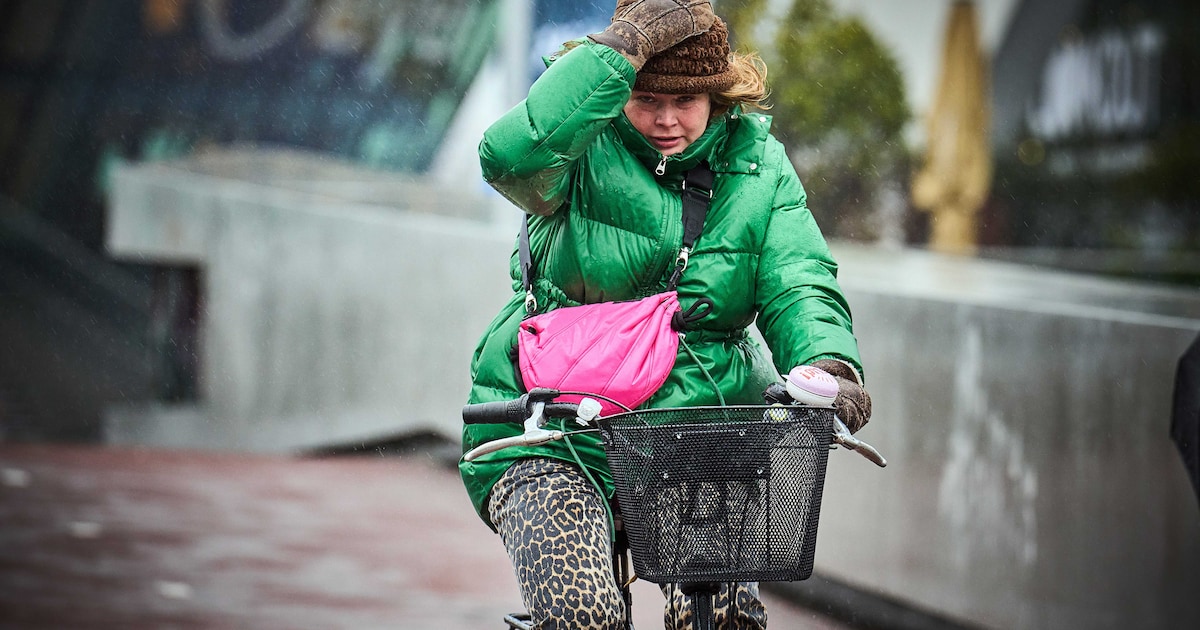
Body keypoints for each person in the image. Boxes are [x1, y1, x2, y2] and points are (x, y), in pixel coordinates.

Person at [460, 1, 872, 628]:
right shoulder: (578, 145)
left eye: (687, 100)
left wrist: (828, 361)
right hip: (557, 430)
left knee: (727, 617)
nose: (665, 120)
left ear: (720, 95)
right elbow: (507, 158)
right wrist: (618, 48)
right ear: (618, 84)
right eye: (646, 96)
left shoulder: (759, 167)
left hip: (697, 432)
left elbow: (799, 280)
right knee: (581, 614)